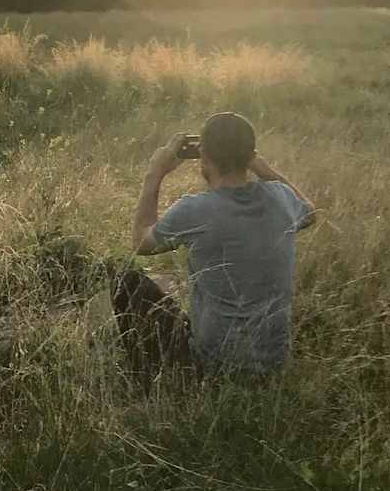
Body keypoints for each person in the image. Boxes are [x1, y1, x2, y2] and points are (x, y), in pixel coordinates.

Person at [111, 111, 315, 386]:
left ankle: (147, 382)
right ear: (250, 155)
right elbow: (311, 213)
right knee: (171, 284)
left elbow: (140, 242)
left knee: (127, 280)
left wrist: (154, 173)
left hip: (216, 364)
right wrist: (261, 167)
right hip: (273, 362)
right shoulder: (281, 198)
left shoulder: (197, 209)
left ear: (203, 156)